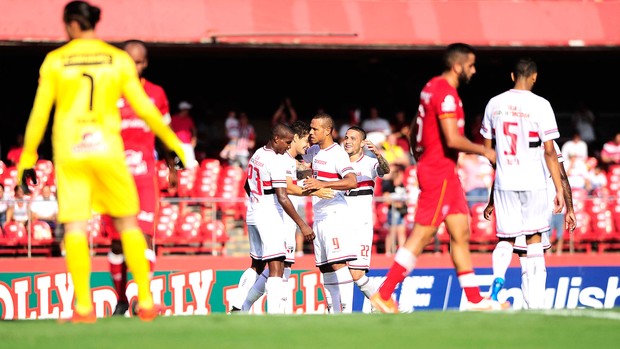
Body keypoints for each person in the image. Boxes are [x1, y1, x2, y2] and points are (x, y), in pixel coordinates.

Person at [16, 0, 190, 323]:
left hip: (70, 151)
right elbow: (145, 107)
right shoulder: (117, 59)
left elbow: (40, 113)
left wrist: (28, 156)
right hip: (109, 151)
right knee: (128, 224)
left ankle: (83, 307)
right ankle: (148, 304)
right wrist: (173, 144)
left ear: (70, 24)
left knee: (76, 227)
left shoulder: (55, 61)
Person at [371, 43, 507, 313]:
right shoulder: (447, 95)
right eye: (471, 65)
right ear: (458, 66)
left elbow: (414, 127)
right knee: (423, 233)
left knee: (460, 231)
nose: (474, 70)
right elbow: (452, 139)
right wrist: (485, 150)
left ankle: (474, 300)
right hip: (440, 171)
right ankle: (384, 294)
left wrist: (419, 154)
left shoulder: (431, 87)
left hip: (441, 170)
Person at [480, 58, 565, 310]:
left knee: (505, 239)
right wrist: (559, 189)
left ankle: (496, 287)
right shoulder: (541, 105)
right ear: (535, 77)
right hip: (534, 181)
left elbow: (487, 149)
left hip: (505, 181)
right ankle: (537, 306)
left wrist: (502, 169)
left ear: (511, 75)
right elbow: (550, 151)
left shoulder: (494, 103)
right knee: (534, 239)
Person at [101, 39, 171, 316]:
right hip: (113, 175)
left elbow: (164, 133)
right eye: (130, 60)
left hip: (144, 175)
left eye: (140, 61)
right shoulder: (104, 91)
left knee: (144, 236)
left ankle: (145, 299)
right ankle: (120, 299)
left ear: (146, 63)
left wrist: (173, 166)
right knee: (118, 241)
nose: (135, 66)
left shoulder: (156, 93)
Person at [234, 120, 334, 313]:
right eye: (287, 142)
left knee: (256, 264)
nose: (288, 147)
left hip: (254, 212)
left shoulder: (258, 154)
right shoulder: (277, 160)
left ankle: (238, 306)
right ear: (277, 138)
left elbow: (247, 185)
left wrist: (258, 200)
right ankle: (275, 315)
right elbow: (283, 194)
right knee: (278, 267)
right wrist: (303, 224)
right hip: (270, 217)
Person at [484, 141, 576, 307]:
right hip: (538, 201)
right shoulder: (548, 140)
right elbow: (562, 175)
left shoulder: (510, 138)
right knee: (534, 249)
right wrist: (570, 209)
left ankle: (498, 281)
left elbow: (500, 173)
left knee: (520, 252)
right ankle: (536, 305)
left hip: (512, 197)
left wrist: (492, 202)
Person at [303, 113, 358, 313]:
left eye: (315, 129)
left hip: (335, 214)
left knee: (338, 265)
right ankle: (333, 313)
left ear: (327, 130)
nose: (311, 132)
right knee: (325, 267)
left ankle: (347, 312)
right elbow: (301, 163)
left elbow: (352, 181)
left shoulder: (338, 154)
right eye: (310, 128)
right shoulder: (314, 151)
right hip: (319, 216)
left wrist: (322, 184)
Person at [343, 126, 390, 304]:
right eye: (346, 137)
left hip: (360, 226)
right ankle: (338, 312)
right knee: (337, 270)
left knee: (356, 274)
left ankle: (380, 303)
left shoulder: (369, 163)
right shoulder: (338, 162)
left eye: (353, 138)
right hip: (339, 225)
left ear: (363, 143)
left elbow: (385, 170)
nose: (348, 141)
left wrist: (378, 154)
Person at [382, 164, 408, 255]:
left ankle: (401, 251)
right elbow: (386, 199)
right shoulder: (389, 185)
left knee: (401, 231)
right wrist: (396, 204)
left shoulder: (402, 186)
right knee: (391, 232)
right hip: (393, 211)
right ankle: (388, 251)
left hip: (401, 212)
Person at [170, 100, 197, 166]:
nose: (188, 111)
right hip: (177, 144)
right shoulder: (174, 118)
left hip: (187, 144)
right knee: (178, 164)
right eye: (186, 110)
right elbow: (169, 129)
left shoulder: (188, 119)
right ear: (183, 110)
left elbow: (194, 129)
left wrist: (194, 139)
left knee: (190, 163)